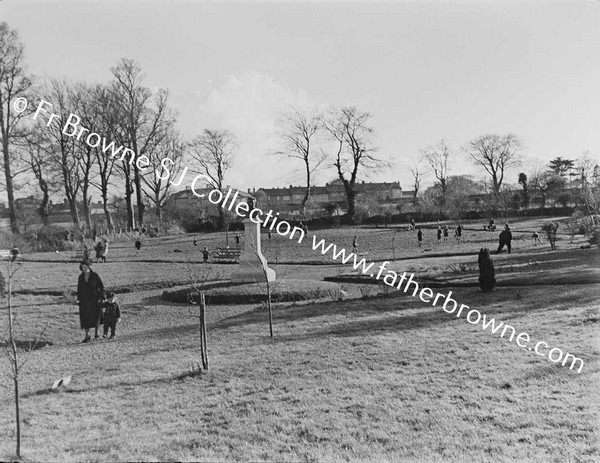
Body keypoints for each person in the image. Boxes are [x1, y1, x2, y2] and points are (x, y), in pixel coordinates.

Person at [77, 260, 104, 342]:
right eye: (83, 267)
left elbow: (101, 286)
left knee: (96, 315)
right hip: (84, 300)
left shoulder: (95, 276)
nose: (85, 269)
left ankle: (97, 332)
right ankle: (87, 335)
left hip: (95, 298)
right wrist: (79, 299)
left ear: (89, 267)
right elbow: (79, 289)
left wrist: (102, 297)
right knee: (85, 316)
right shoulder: (80, 277)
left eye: (86, 267)